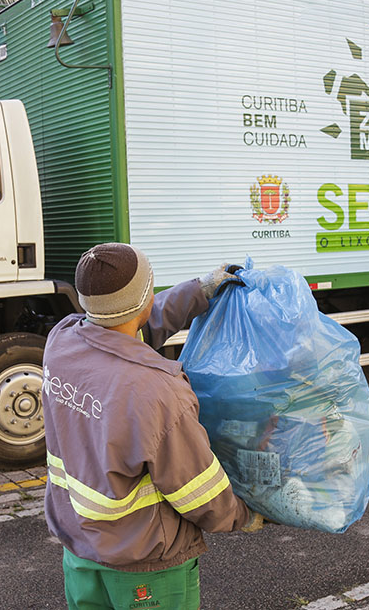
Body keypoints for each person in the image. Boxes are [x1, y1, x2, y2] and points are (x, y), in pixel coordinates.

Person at [42, 243, 264, 610]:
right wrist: (243, 516)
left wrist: (198, 291)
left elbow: (121, 332)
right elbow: (196, 487)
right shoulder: (157, 392)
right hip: (144, 566)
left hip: (80, 549)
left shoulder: (62, 342)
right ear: (145, 298)